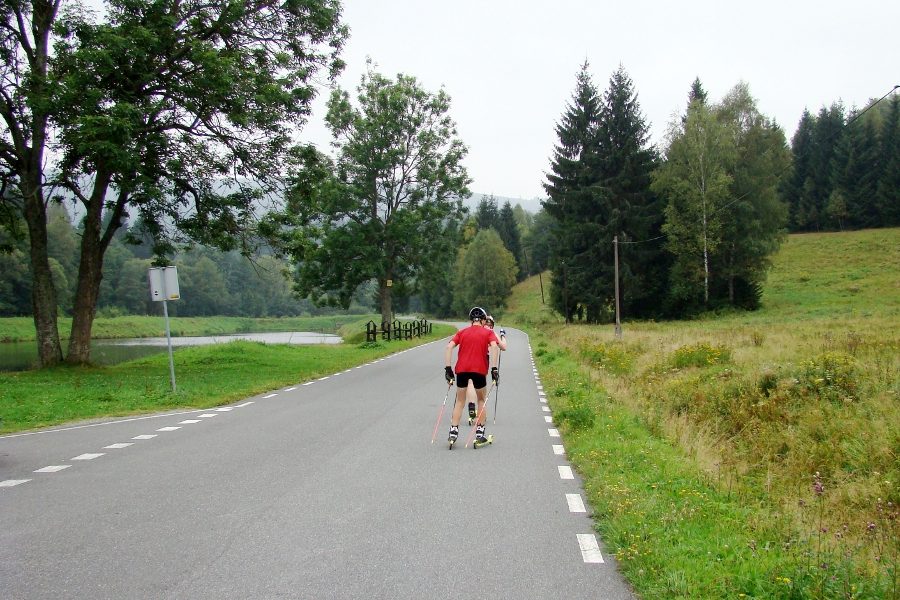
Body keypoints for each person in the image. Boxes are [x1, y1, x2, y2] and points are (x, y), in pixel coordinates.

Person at [444, 306, 500, 446]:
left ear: (471, 320)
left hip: (461, 370)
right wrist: (494, 369)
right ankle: (480, 434)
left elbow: (449, 347)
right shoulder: (488, 333)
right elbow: (494, 347)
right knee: (481, 400)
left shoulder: (462, 332)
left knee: (460, 402)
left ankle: (453, 432)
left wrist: (448, 369)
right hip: (479, 370)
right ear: (483, 320)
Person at [468, 314, 507, 424]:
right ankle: (481, 412)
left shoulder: (475, 330)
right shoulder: (490, 332)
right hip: (483, 359)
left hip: (470, 357)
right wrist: (503, 335)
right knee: (480, 386)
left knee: (470, 383)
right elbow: (503, 347)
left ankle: (471, 406)